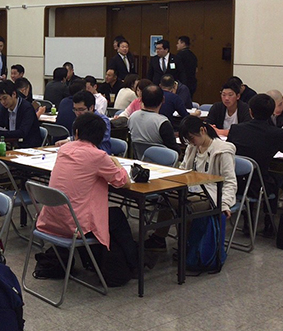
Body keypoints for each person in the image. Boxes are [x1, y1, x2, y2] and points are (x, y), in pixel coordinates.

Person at [37, 112, 138, 284]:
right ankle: (132, 264)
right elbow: (124, 182)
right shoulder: (98, 156)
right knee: (117, 217)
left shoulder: (64, 149)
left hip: (51, 219)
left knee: (107, 214)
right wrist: (116, 162)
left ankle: (101, 259)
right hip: (75, 225)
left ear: (76, 133)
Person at [144, 115, 237, 251]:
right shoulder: (193, 147)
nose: (191, 143)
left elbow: (230, 182)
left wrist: (224, 204)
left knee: (185, 206)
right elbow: (183, 170)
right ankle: (159, 238)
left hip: (211, 193)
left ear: (202, 130)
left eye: (192, 138)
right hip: (192, 189)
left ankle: (187, 247)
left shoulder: (222, 151)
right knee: (166, 199)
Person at [227, 94, 283, 235]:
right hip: (259, 186)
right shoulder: (277, 133)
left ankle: (247, 220)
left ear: (250, 111)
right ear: (272, 112)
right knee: (277, 177)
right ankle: (269, 221)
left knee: (257, 176)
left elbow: (228, 154)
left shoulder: (236, 129)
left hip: (235, 183)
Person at [128, 85, 182, 157]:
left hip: (139, 160)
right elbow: (174, 150)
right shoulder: (163, 122)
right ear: (163, 100)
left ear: (141, 99)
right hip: (161, 161)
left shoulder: (132, 117)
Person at [56, 90, 113, 155]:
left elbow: (93, 142)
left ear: (91, 108)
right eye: (75, 109)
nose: (77, 113)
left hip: (99, 154)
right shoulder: (78, 120)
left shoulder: (102, 121)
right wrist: (69, 140)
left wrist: (72, 141)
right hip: (80, 153)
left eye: (81, 109)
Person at [0, 80, 42, 148]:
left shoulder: (27, 108)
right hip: (11, 144)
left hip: (28, 146)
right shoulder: (4, 107)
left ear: (14, 94)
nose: (3, 102)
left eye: (5, 98)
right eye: (0, 99)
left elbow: (22, 132)